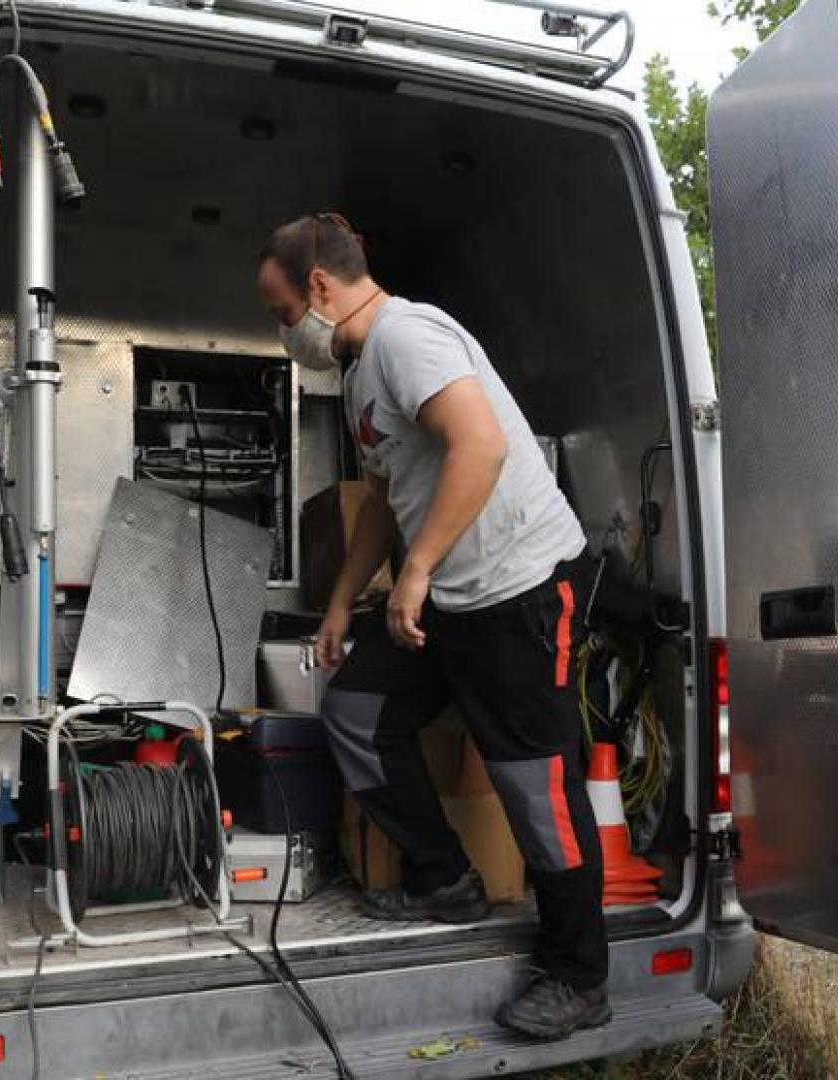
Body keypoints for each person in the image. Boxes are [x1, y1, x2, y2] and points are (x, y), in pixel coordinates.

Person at [255, 212, 609, 1041]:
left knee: (538, 793)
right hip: (448, 597)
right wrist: (345, 599)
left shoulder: (408, 337)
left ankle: (579, 975)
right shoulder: (356, 374)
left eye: (279, 312)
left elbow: (478, 448)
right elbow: (385, 496)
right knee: (356, 712)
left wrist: (414, 572)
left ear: (319, 287)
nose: (283, 332)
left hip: (517, 591)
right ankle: (443, 877)